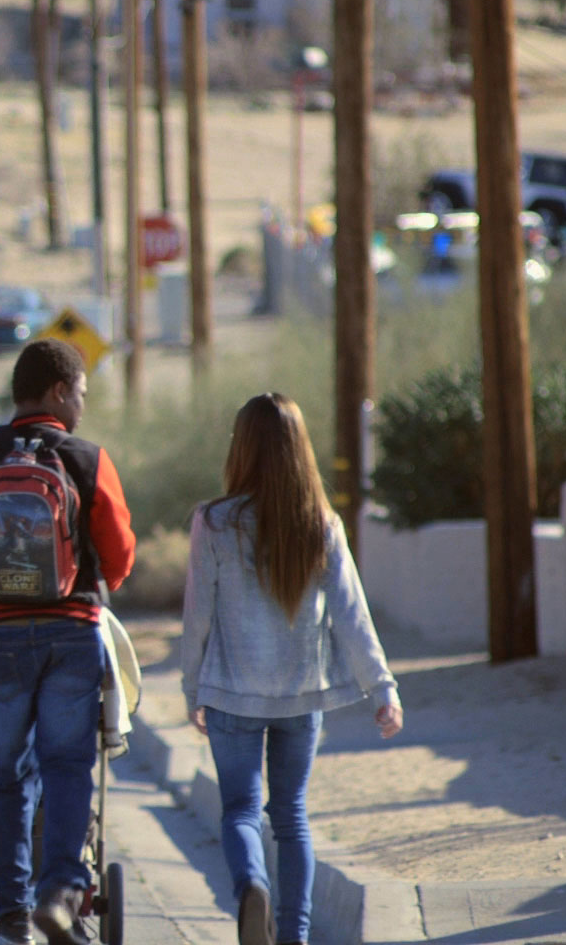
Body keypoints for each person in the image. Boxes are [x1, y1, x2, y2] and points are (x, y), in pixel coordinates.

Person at [0, 339, 136, 945]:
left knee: (8, 775)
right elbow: (119, 559)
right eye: (80, 394)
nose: (81, 407)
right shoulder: (87, 458)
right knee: (68, 765)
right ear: (56, 390)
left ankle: (11, 917)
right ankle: (62, 894)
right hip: (72, 633)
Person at [179, 393, 404, 945]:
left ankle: (251, 885)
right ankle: (295, 937)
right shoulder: (319, 524)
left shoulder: (214, 522)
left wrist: (192, 688)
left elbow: (196, 617)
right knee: (291, 816)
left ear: (243, 448)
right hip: (303, 696)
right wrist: (383, 687)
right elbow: (353, 612)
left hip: (232, 694)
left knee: (239, 810)